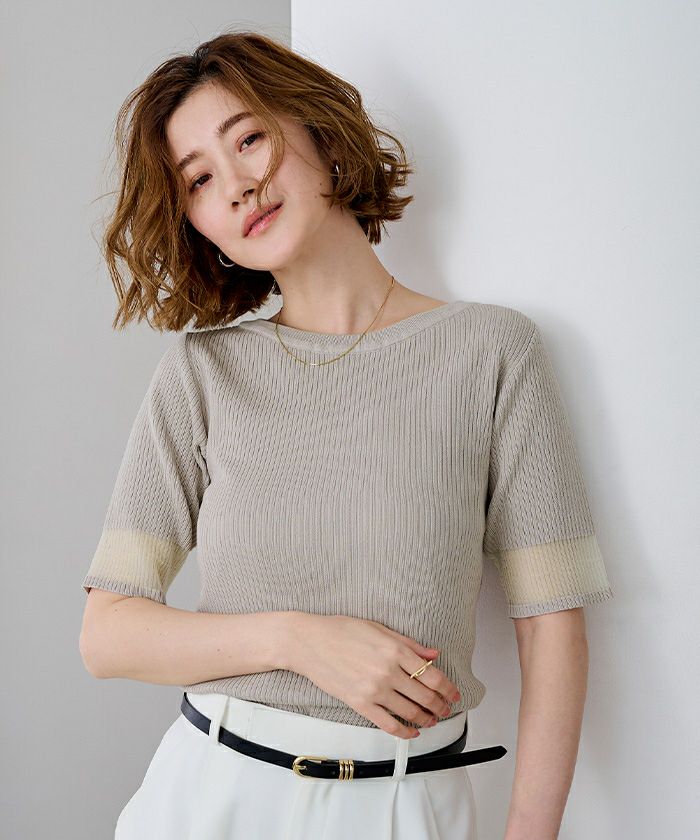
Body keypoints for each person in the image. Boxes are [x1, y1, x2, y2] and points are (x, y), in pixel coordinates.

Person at [78, 30, 614, 840]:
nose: (237, 187)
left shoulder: (492, 351)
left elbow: (553, 622)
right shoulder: (203, 373)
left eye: (248, 139)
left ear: (321, 134)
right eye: (199, 179)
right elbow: (107, 635)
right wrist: (297, 640)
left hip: (410, 804)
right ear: (196, 221)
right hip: (214, 796)